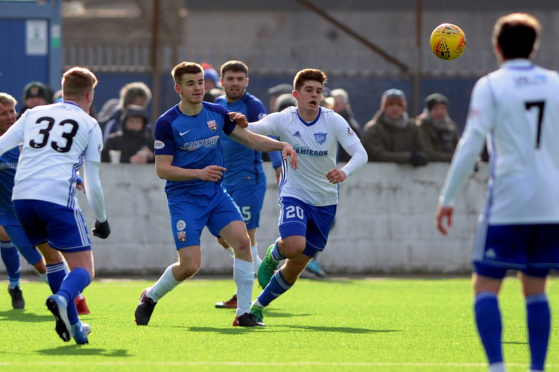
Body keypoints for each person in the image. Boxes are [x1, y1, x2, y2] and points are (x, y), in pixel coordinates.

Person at [435, 13, 559, 372]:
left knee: (486, 285)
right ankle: (537, 368)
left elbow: (471, 143)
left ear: (496, 46)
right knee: (536, 289)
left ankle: (498, 367)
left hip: (509, 201)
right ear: (534, 46)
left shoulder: (491, 86)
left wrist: (447, 198)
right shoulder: (554, 83)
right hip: (551, 204)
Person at [133, 61, 297, 327]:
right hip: (184, 198)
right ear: (178, 88)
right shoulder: (168, 122)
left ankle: (244, 313)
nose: (198, 88)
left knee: (243, 243)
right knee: (189, 265)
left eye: (200, 82)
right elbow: (162, 169)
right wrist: (198, 173)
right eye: (190, 83)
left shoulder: (217, 113)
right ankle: (150, 296)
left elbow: (251, 139)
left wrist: (282, 145)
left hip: (215, 193)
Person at [234, 68, 368, 324]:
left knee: (295, 267)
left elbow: (361, 154)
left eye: (318, 91)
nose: (314, 95)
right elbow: (253, 129)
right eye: (309, 90)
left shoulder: (333, 120)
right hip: (294, 194)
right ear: (296, 94)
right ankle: (274, 254)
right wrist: (242, 123)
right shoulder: (285, 119)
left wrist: (345, 171)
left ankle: (257, 307)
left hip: (326, 201)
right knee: (295, 245)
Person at [0, 67, 111, 344]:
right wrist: (102, 219)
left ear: (63, 90)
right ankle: (62, 296)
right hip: (56, 198)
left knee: (52, 260)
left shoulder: (32, 114)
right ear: (89, 94)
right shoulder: (89, 124)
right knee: (84, 269)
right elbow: (93, 182)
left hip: (22, 199)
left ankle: (75, 328)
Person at [0, 93, 90, 315]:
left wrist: (77, 178)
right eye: (4, 113)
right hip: (8, 214)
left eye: (12, 111)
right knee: (39, 262)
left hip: (32, 208)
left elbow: (48, 161)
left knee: (52, 258)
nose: (10, 116)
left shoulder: (26, 138)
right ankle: (17, 284)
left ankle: (72, 302)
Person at [213, 60, 283, 309]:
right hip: (223, 181)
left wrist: (277, 165)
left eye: (239, 79)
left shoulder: (253, 105)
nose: (234, 83)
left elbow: (268, 136)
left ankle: (243, 294)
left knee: (244, 237)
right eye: (229, 79)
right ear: (222, 81)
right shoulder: (218, 105)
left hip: (248, 180)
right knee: (223, 237)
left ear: (246, 81)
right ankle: (260, 268)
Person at [362, 89, 428, 166]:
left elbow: (421, 149)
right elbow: (378, 154)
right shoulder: (373, 128)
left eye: (399, 105)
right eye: (390, 104)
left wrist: (420, 156)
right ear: (384, 107)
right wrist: (409, 157)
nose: (395, 108)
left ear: (403, 107)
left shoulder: (413, 127)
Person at [416, 93, 459, 162]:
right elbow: (428, 153)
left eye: (443, 108)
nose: (440, 112)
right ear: (429, 111)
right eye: (436, 109)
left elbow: (457, 149)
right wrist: (453, 158)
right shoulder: (422, 126)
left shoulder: (451, 127)